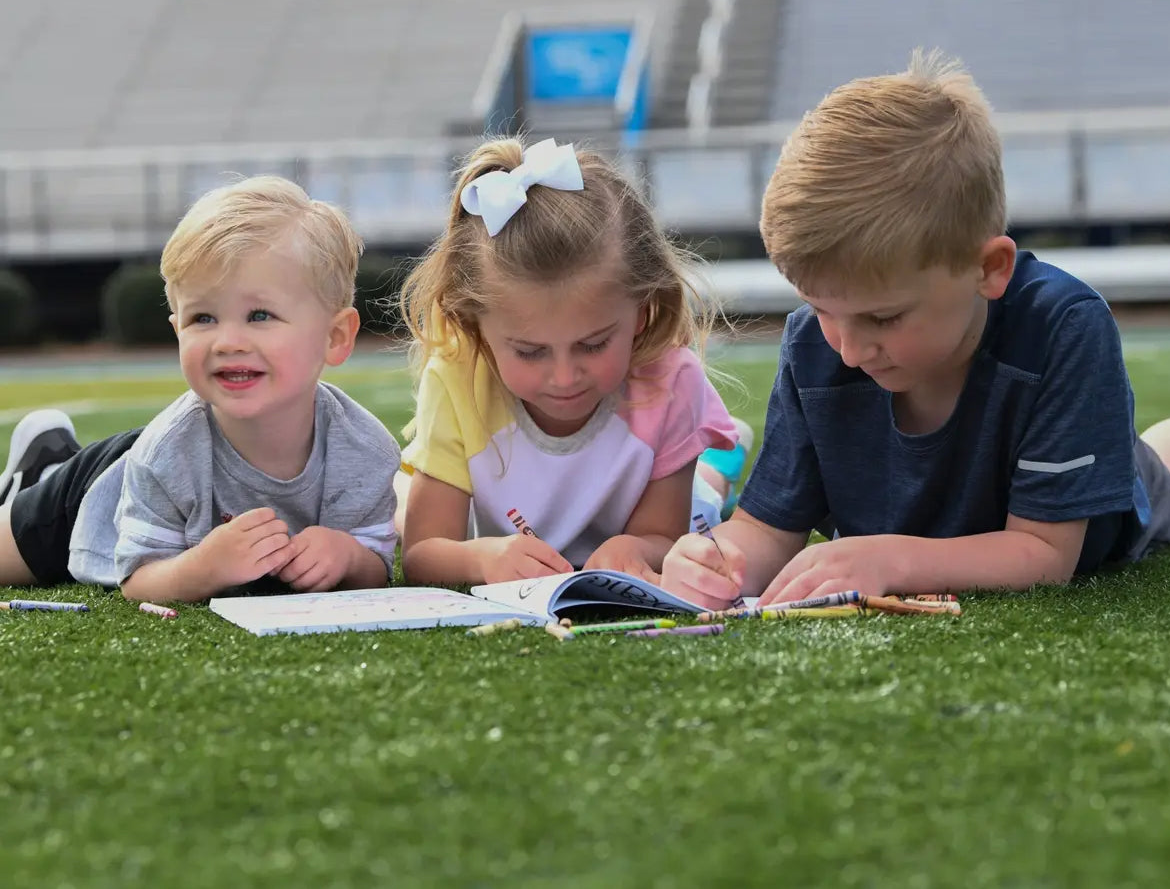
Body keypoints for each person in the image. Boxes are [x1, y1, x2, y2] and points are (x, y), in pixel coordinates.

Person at [661, 51, 1170, 609]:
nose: (851, 349)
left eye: (883, 318)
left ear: (989, 270)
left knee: (1165, 463)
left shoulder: (1064, 328)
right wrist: (716, 559)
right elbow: (766, 532)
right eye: (820, 308)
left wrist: (891, 560)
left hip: (1119, 509)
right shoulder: (814, 345)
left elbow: (1045, 553)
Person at [0, 175, 400, 603]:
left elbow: (378, 564)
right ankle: (43, 473)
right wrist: (205, 568)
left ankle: (49, 459)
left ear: (335, 337)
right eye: (203, 319)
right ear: (177, 331)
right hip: (97, 493)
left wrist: (349, 558)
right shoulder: (165, 452)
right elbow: (139, 580)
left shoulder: (366, 450)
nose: (227, 342)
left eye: (260, 315)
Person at [396, 136, 751, 587]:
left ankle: (719, 464)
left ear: (643, 310)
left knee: (705, 504)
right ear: (475, 326)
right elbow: (424, 552)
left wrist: (637, 546)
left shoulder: (672, 379)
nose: (564, 378)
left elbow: (662, 535)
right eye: (529, 352)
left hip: (670, 510)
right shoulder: (456, 378)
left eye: (594, 345)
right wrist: (483, 559)